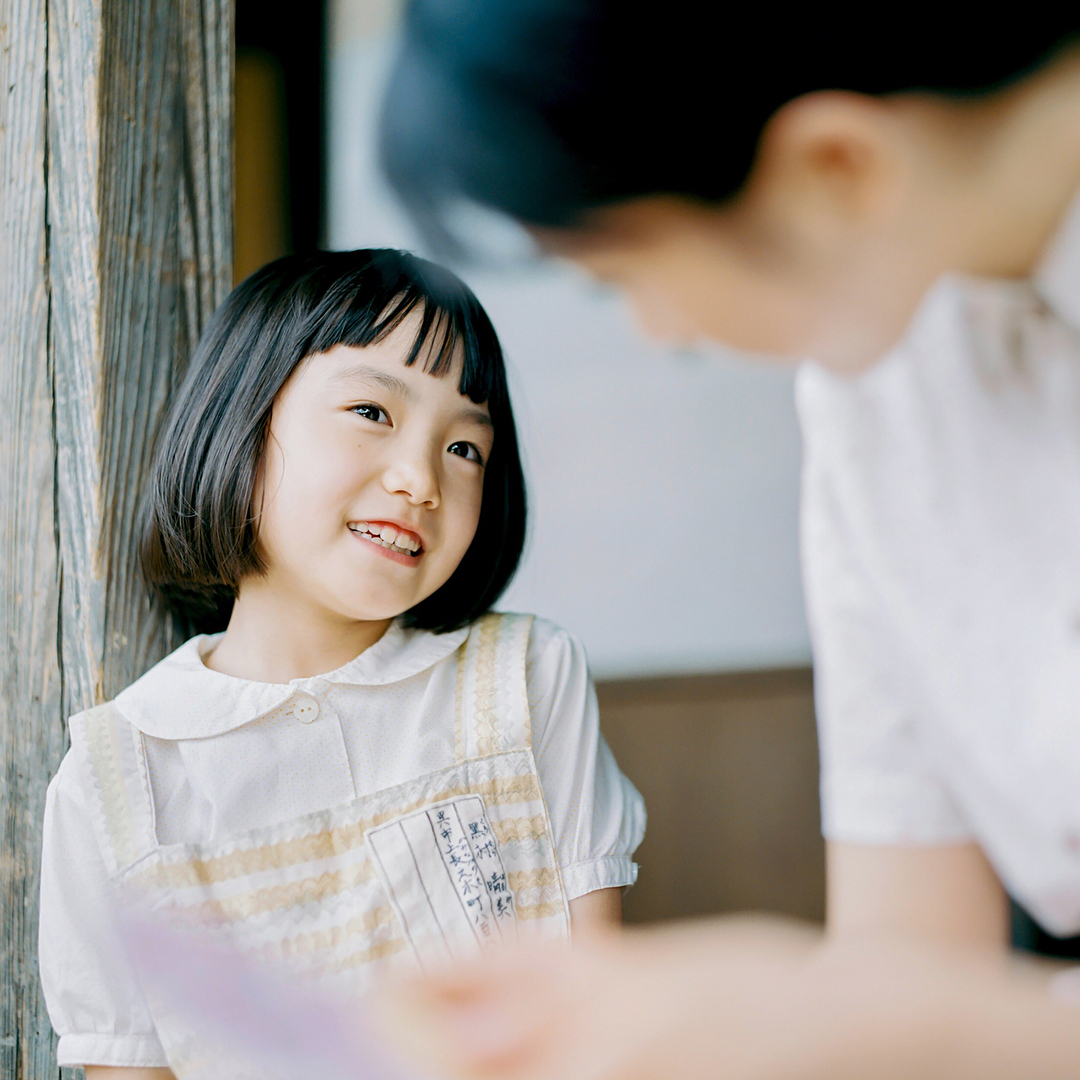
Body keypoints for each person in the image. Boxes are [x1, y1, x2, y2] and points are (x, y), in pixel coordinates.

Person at [374, 5, 1080, 1078]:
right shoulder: (874, 381)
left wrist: (800, 1012)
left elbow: (922, 1025)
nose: (659, 330)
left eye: (624, 274)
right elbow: (910, 968)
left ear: (836, 166)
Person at [37, 249, 645, 1079]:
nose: (420, 479)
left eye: (465, 448)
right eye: (371, 410)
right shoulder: (120, 783)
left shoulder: (528, 679)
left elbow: (598, 1015)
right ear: (240, 421)